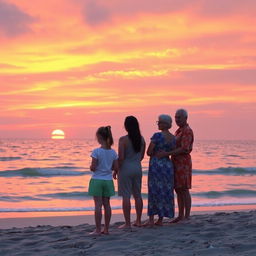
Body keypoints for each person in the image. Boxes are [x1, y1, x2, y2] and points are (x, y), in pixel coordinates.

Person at [156, 109, 194, 223]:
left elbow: (184, 148)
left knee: (184, 189)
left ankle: (186, 215)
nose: (177, 120)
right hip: (175, 162)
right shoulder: (178, 131)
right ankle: (180, 215)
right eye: (176, 117)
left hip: (183, 163)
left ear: (185, 118)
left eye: (179, 118)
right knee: (178, 189)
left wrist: (166, 154)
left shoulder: (187, 131)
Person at [144, 114, 176, 227]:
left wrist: (155, 154)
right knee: (164, 191)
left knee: (154, 190)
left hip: (156, 165)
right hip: (167, 166)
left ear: (164, 124)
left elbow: (148, 152)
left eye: (159, 122)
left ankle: (151, 219)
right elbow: (173, 151)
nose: (158, 124)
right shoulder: (173, 138)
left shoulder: (157, 136)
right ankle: (160, 219)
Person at [88, 126, 119, 235]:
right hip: (108, 180)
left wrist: (91, 167)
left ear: (99, 137)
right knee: (107, 205)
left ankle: (97, 229)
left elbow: (93, 167)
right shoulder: (113, 152)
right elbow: (116, 168)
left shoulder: (96, 151)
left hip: (97, 180)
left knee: (98, 205)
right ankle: (106, 229)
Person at [117, 116, 146, 228]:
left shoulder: (123, 140)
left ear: (126, 126)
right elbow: (142, 156)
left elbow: (121, 157)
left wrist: (116, 169)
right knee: (138, 195)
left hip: (125, 168)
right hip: (137, 168)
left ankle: (128, 223)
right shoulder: (141, 139)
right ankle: (138, 221)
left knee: (126, 196)